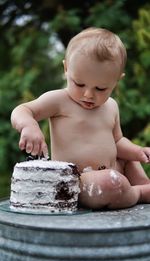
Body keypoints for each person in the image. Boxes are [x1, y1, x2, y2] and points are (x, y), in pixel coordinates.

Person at [11, 27, 150, 210]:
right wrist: (29, 125)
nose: (88, 94)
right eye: (79, 83)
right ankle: (138, 193)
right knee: (110, 182)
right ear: (66, 69)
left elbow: (117, 142)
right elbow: (22, 110)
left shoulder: (111, 106)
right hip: (77, 182)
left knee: (128, 160)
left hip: (110, 172)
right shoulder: (59, 100)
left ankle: (142, 186)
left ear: (116, 81)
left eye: (100, 89)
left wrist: (138, 151)